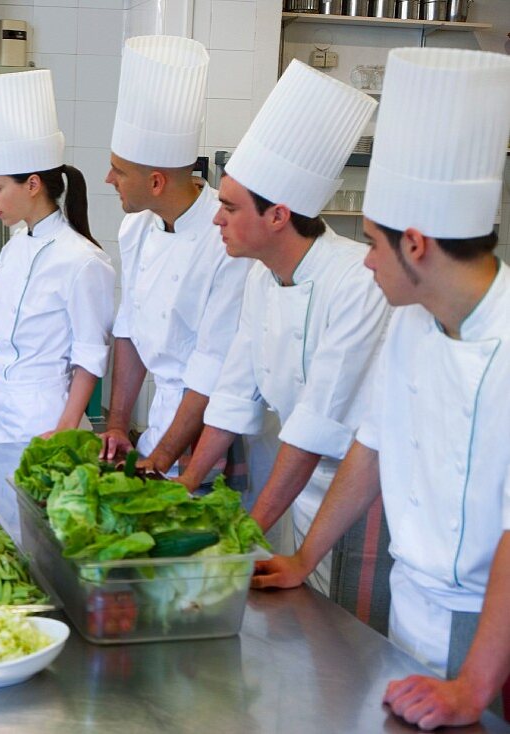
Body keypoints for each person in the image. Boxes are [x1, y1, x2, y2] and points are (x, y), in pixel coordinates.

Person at [254, 47, 510, 729]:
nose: (364, 260)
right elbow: (371, 446)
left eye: (371, 241)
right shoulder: (416, 323)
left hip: (494, 634)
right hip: (411, 606)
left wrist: (475, 687)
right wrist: (303, 559)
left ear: (417, 245)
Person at [174, 60, 387, 596]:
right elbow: (232, 394)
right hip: (304, 485)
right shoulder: (262, 277)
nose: (216, 220)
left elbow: (318, 420)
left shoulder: (357, 281)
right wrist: (183, 488)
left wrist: (238, 537)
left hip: (365, 497)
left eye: (228, 207)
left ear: (277, 216)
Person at [98, 35, 249, 477]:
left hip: (210, 436)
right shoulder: (137, 226)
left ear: (157, 182)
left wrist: (165, 456)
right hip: (158, 428)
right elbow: (130, 326)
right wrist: (119, 425)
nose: (109, 179)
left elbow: (212, 363)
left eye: (120, 171)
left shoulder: (228, 238)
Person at [0, 69, 114, 443]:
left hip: (46, 421)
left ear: (32, 184)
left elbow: (90, 356)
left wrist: (65, 430)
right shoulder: (14, 246)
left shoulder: (83, 260)